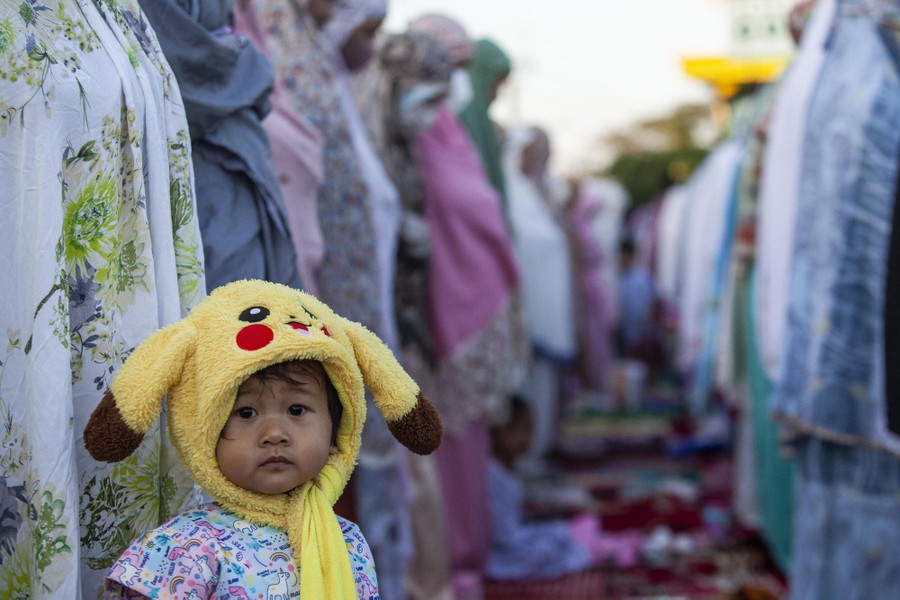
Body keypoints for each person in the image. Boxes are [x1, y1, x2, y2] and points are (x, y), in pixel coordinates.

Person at [85, 280, 443, 599]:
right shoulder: (184, 548)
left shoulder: (347, 541)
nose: (274, 434)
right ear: (202, 434)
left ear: (338, 432)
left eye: (297, 410)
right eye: (246, 413)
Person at [487, 396, 640, 580]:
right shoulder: (492, 475)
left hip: (514, 541)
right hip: (503, 553)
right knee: (552, 544)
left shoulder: (506, 470)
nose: (528, 438)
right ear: (497, 432)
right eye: (520, 430)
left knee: (564, 533)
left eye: (530, 430)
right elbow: (506, 537)